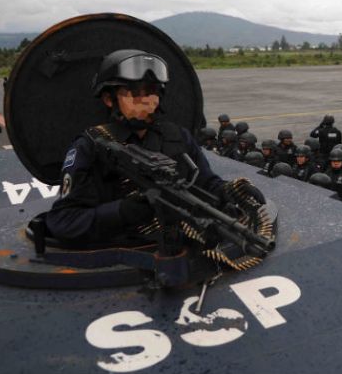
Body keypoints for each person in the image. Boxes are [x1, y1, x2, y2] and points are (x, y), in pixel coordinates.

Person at [46, 49, 264, 245]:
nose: (146, 101)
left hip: (183, 247)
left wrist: (228, 191)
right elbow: (64, 222)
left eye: (152, 91)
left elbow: (206, 183)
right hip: (126, 256)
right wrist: (123, 211)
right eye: (134, 93)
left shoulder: (178, 136)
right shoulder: (90, 147)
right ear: (109, 99)